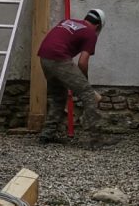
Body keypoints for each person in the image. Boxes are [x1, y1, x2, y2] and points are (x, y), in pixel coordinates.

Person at [37, 9, 114, 148]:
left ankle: (47, 135)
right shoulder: (90, 33)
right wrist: (85, 83)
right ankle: (96, 139)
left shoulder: (68, 21)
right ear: (98, 26)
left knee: (58, 96)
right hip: (59, 58)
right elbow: (82, 62)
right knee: (88, 94)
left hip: (44, 57)